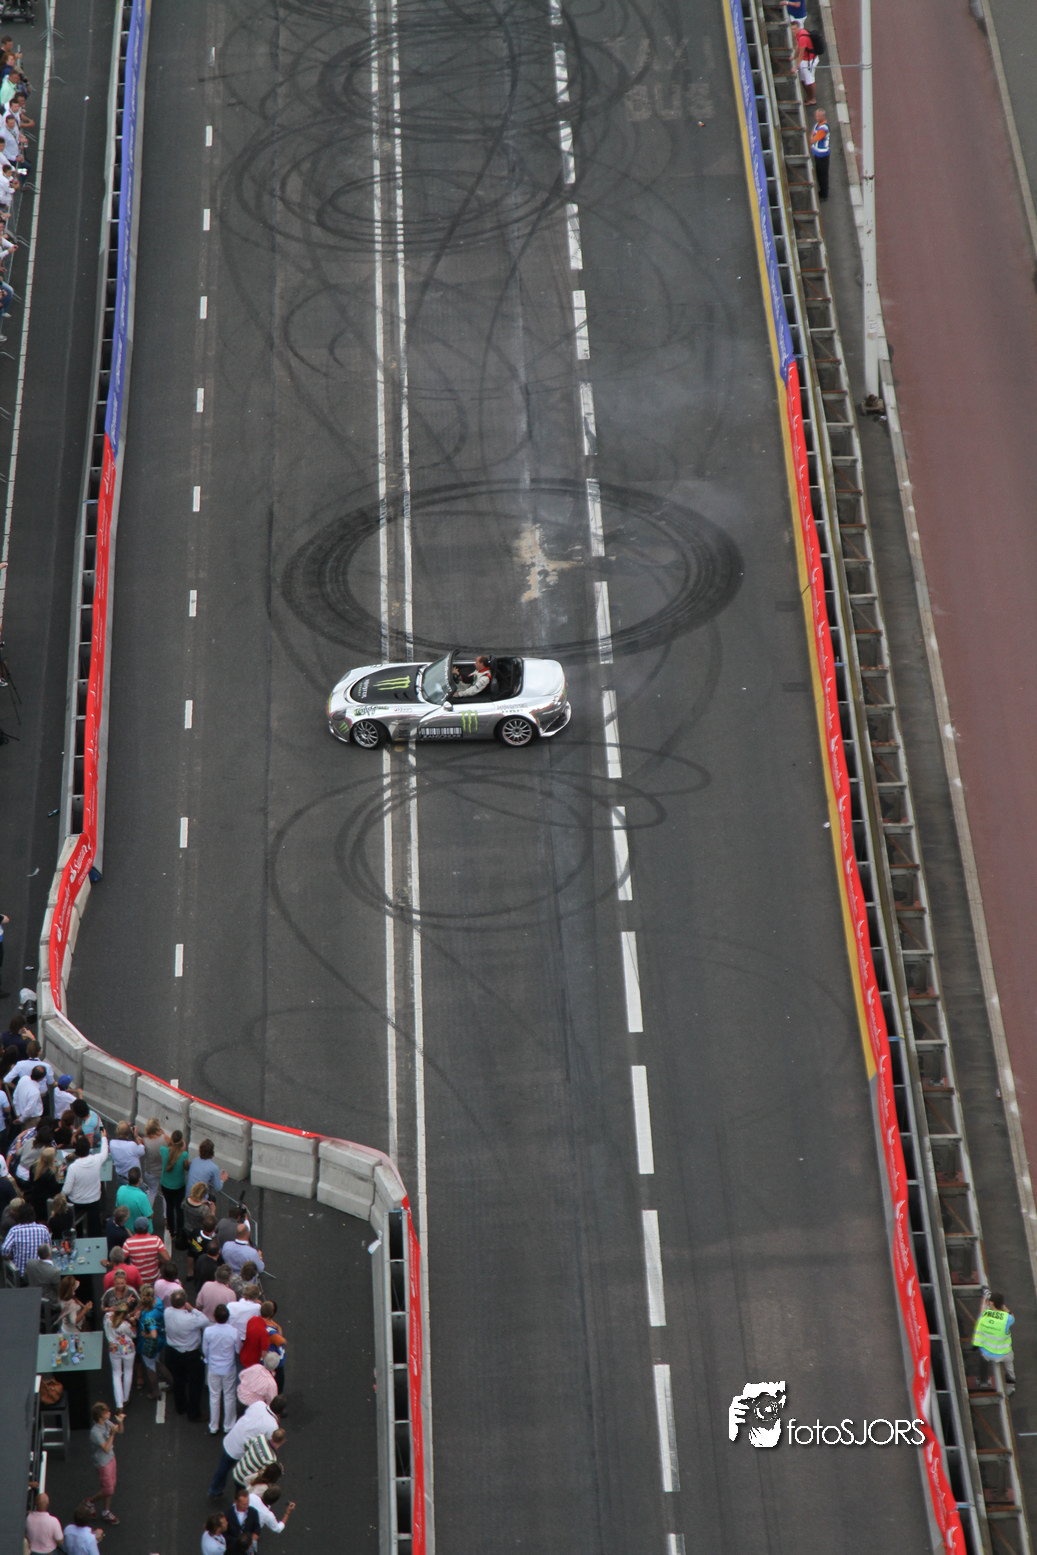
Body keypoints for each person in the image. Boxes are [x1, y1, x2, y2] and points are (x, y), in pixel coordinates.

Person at [208, 1398, 280, 1497]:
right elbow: (267, 1443)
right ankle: (238, 1496)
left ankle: (215, 1489)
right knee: (241, 1472)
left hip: (233, 1437)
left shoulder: (259, 1404)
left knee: (223, 1467)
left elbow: (247, 1413)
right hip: (243, 1448)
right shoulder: (273, 1426)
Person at [163, 1286, 210, 1419]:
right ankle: (194, 1413)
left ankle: (180, 1407)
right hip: (190, 1354)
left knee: (178, 1380)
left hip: (173, 1352)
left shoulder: (167, 1312)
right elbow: (205, 1320)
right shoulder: (190, 1319)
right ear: (184, 1302)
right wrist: (192, 1309)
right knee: (195, 1383)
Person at [62, 1129, 110, 1236]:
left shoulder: (73, 1168)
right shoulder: (96, 1160)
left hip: (77, 1203)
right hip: (94, 1201)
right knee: (95, 1229)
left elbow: (66, 1190)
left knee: (77, 1230)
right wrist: (104, 1137)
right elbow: (104, 1152)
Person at [203, 1303, 240, 1434]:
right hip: (228, 1368)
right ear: (228, 1317)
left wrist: (208, 1360)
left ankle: (213, 1426)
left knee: (214, 1396)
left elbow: (205, 1349)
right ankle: (228, 1425)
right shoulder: (234, 1332)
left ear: (214, 1317)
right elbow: (238, 1349)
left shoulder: (208, 1331)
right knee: (229, 1395)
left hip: (213, 1368)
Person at [85, 1400, 123, 1523]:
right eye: (106, 1412)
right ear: (100, 1416)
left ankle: (106, 1511)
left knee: (111, 1486)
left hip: (111, 1458)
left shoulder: (107, 1423)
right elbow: (106, 1448)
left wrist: (120, 1422)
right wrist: (112, 1435)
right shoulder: (95, 1432)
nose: (109, 1413)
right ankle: (89, 1502)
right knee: (108, 1489)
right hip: (103, 1463)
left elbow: (120, 1430)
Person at [973, 1288, 1016, 1393]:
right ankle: (1010, 1388)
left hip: (988, 1354)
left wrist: (984, 1300)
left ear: (991, 1303)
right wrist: (1003, 1306)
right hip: (1004, 1354)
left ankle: (984, 1378)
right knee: (1009, 1366)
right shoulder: (1007, 1318)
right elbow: (1011, 1315)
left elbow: (982, 1311)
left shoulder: (985, 1316)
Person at [136, 1283, 172, 1399]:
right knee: (158, 1362)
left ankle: (155, 1392)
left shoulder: (148, 1316)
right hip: (160, 1340)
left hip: (149, 1344)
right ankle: (172, 1382)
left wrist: (144, 1334)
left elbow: (153, 1334)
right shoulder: (158, 1302)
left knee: (150, 1367)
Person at [232, 1425, 287, 1490]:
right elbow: (262, 1475)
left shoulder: (260, 1437)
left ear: (272, 1435)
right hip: (243, 1480)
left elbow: (246, 1445)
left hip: (238, 1469)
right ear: (283, 1441)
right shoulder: (271, 1459)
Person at [103, 1303, 137, 1408]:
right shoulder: (125, 1325)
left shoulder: (107, 1318)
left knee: (116, 1374)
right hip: (128, 1350)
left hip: (114, 1349)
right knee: (128, 1372)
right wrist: (134, 1324)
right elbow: (134, 1334)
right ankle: (125, 1398)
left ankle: (119, 1403)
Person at [2, 1200, 51, 1274]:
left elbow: (4, 1249)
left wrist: (12, 1256)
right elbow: (48, 1248)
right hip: (39, 1273)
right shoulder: (43, 1229)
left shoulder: (14, 1230)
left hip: (20, 1274)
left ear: (19, 1216)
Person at [161, 1127, 189, 1240]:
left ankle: (171, 1230)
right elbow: (186, 1167)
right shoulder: (184, 1155)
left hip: (165, 1185)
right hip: (179, 1186)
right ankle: (180, 1231)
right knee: (179, 1209)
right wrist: (184, 1149)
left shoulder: (164, 1150)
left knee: (169, 1207)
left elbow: (168, 1148)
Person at [123, 1215, 165, 1283]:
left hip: (137, 1279)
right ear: (147, 1228)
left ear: (135, 1228)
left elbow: (121, 1260)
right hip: (153, 1277)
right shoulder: (156, 1240)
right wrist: (159, 1263)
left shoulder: (128, 1243)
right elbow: (167, 1258)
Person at [27, 1145, 64, 1220]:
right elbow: (56, 1189)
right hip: (46, 1202)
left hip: (36, 1198)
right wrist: (59, 1173)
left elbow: (31, 1182)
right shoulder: (49, 1174)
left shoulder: (34, 1166)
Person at [223, 1487, 260, 1555]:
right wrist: (239, 1542)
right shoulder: (227, 1513)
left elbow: (257, 1527)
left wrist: (255, 1534)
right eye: (244, 1504)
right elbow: (224, 1534)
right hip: (233, 1548)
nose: (247, 1506)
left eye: (247, 1503)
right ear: (236, 1502)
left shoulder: (253, 1512)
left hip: (248, 1547)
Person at [26, 1489, 64, 1555]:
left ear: (35, 1504)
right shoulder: (54, 1521)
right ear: (47, 1504)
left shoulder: (28, 1518)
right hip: (49, 1552)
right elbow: (60, 1541)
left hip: (32, 1552)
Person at [792, 24, 817, 105]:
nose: (793, 31)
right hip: (806, 60)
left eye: (794, 29)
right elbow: (797, 46)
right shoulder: (800, 34)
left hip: (808, 61)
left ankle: (812, 98)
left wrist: (796, 67)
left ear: (798, 28)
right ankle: (808, 97)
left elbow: (801, 53)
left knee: (810, 80)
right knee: (803, 79)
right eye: (792, 29)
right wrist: (794, 56)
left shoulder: (802, 38)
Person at [810, 108, 831, 200]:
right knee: (819, 174)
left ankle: (824, 193)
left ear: (823, 116)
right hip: (817, 154)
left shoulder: (823, 129)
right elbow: (812, 135)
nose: (817, 118)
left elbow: (813, 139)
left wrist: (812, 138)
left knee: (822, 175)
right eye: (816, 116)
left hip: (822, 155)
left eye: (818, 116)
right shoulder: (817, 125)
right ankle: (822, 191)